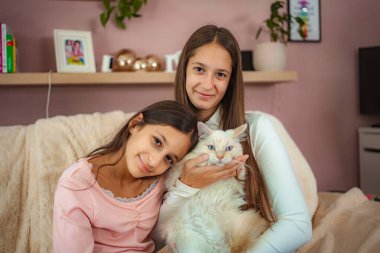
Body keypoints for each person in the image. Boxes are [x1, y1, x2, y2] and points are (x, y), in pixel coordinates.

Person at [156, 25, 312, 252]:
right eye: (199, 69)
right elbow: (154, 237)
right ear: (184, 70)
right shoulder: (163, 134)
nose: (208, 84)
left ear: (231, 81)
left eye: (220, 74)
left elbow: (298, 224)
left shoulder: (258, 127)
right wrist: (184, 186)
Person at [53, 100, 199, 253]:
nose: (155, 162)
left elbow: (163, 235)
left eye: (169, 158)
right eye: (157, 141)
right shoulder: (76, 185)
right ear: (135, 124)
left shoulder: (162, 181)